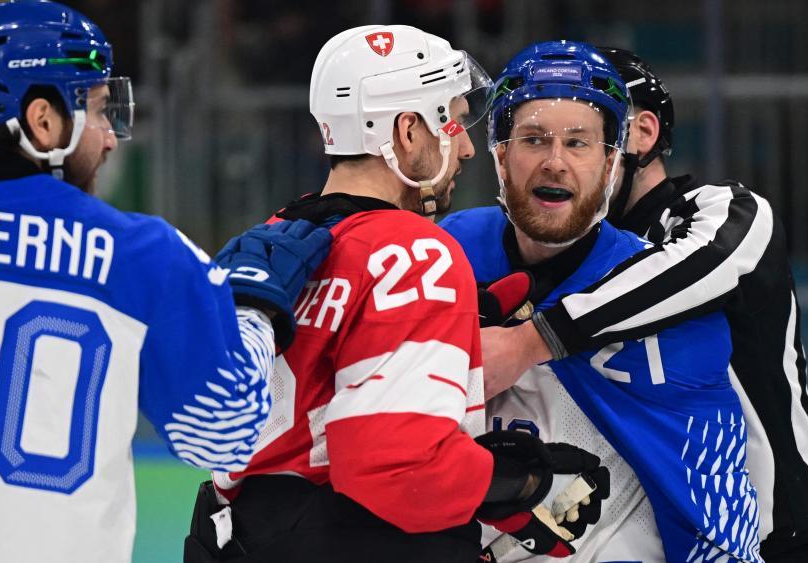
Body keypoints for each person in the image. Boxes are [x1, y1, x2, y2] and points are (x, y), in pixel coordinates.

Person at [0, 2, 333, 562]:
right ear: (44, 120)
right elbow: (224, 434)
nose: (110, 138)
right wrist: (253, 313)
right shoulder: (146, 254)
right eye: (101, 111)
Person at [184, 25, 607, 563]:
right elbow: (392, 469)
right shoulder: (415, 252)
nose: (468, 147)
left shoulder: (280, 234)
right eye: (452, 120)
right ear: (408, 132)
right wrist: (524, 482)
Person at [481, 44, 808, 562]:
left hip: (778, 534)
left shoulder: (723, 211)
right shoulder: (563, 244)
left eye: (588, 131)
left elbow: (702, 262)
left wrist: (533, 339)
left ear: (638, 135)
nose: (559, 159)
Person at [440, 40, 763, 562]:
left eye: (578, 143)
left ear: (613, 162)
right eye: (533, 139)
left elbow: (714, 500)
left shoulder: (664, 303)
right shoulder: (445, 255)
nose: (555, 162)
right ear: (500, 155)